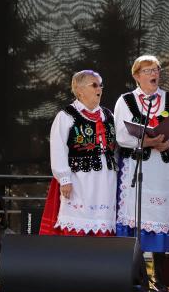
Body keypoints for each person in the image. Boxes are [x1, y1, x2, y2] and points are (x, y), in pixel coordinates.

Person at [114, 55, 169, 285]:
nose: (153, 74)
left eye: (156, 70)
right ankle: (139, 279)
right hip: (138, 169)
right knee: (137, 219)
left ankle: (160, 279)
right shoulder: (126, 101)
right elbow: (121, 135)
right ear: (136, 76)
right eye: (147, 71)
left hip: (164, 171)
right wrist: (146, 142)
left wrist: (168, 144)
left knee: (161, 221)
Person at [40, 70, 118, 236]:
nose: (99, 89)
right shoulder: (66, 116)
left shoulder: (108, 115)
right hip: (79, 179)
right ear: (80, 90)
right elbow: (58, 148)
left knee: (102, 223)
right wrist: (64, 179)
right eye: (94, 85)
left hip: (105, 179)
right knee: (78, 224)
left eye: (101, 85)